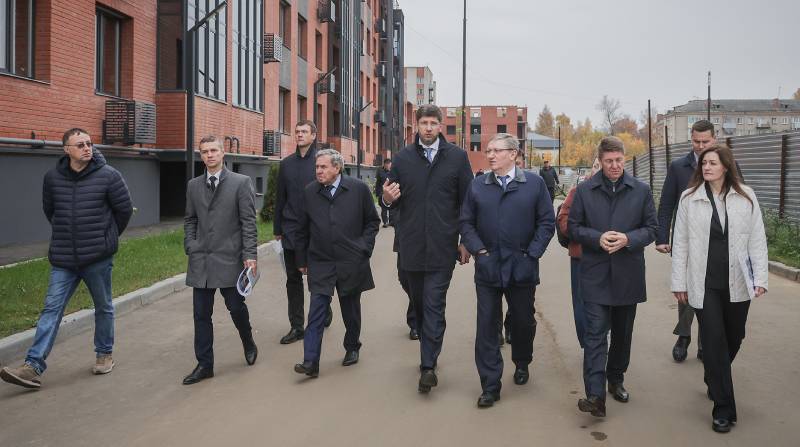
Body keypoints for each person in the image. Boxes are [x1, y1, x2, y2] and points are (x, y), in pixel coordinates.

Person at [0, 128, 133, 389]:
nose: (87, 148)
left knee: (103, 306)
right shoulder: (52, 178)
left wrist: (106, 238)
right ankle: (32, 366)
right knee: (51, 309)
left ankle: (104, 354)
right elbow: (50, 210)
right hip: (63, 259)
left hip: (97, 257)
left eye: (89, 143)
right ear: (66, 150)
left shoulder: (109, 175)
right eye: (80, 144)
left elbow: (124, 210)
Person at [670, 144, 767, 433]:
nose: (706, 167)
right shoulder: (689, 198)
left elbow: (757, 239)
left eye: (712, 162)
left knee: (735, 336)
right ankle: (723, 409)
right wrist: (679, 282)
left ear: (726, 166)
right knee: (713, 340)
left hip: (738, 281)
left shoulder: (746, 196)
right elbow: (681, 242)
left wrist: (760, 278)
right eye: (704, 163)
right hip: (704, 282)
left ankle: (714, 374)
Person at [382, 104, 474, 393]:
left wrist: (465, 240)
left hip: (443, 247)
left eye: (434, 123)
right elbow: (392, 198)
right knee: (419, 304)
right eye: (424, 123)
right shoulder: (403, 159)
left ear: (441, 125)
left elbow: (468, 202)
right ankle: (428, 345)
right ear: (417, 125)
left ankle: (428, 366)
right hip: (411, 246)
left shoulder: (457, 158)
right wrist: (387, 200)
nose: (429, 128)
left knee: (434, 303)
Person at [460, 133, 555, 407]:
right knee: (487, 326)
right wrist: (480, 251)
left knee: (523, 322)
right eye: (488, 150)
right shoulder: (478, 186)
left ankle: (522, 360)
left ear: (513, 154)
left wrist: (531, 254)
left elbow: (546, 222)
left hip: (521, 267)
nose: (490, 155)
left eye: (496, 150)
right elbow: (466, 222)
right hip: (488, 268)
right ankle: (490, 385)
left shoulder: (534, 184)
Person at [568, 136, 658, 417]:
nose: (615, 165)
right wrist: (597, 238)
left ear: (624, 158)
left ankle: (616, 379)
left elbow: (652, 229)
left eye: (619, 160)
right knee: (595, 334)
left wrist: (628, 239)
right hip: (595, 273)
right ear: (600, 160)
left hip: (628, 273)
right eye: (609, 161)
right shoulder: (585, 191)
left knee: (622, 333)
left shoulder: (641, 190)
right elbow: (573, 227)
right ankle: (595, 396)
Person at [293, 149, 380, 377]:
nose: (318, 171)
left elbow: (372, 222)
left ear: (337, 167)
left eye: (323, 167)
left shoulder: (358, 189)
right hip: (320, 261)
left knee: (350, 309)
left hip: (351, 259)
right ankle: (310, 362)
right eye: (317, 167)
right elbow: (302, 228)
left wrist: (364, 248)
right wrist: (301, 259)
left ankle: (352, 347)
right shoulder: (310, 191)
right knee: (316, 311)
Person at [181, 135, 259, 385]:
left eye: (214, 150)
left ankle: (248, 341)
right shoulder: (193, 185)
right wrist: (190, 244)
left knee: (236, 307)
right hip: (201, 261)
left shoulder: (240, 182)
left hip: (230, 259)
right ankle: (205, 364)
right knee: (201, 315)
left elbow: (248, 222)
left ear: (223, 153)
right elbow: (190, 219)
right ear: (201, 156)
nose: (210, 155)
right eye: (205, 152)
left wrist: (250, 254)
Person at [657, 119, 715, 362]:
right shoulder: (678, 166)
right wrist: (662, 237)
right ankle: (684, 336)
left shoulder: (727, 164)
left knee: (711, 293)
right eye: (696, 141)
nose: (700, 146)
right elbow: (666, 203)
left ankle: (705, 342)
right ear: (691, 139)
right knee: (687, 290)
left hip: (717, 240)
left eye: (705, 141)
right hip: (687, 240)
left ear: (714, 139)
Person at [274, 120, 332, 345]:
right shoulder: (286, 164)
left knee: (318, 278)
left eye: (304, 132)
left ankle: (324, 310)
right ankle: (297, 326)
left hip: (316, 231)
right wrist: (277, 229)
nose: (299, 135)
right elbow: (280, 197)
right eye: (297, 131)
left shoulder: (322, 162)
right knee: (293, 279)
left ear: (314, 135)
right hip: (290, 230)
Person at [557, 158, 602, 348]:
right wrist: (585, 233)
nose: (599, 169)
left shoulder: (622, 192)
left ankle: (602, 338)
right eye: (596, 165)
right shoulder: (578, 192)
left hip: (613, 257)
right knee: (582, 302)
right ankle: (589, 343)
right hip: (582, 256)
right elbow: (563, 219)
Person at [376, 158, 393, 227]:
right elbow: (378, 183)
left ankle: (391, 221)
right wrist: (377, 193)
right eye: (388, 165)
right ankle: (385, 222)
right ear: (385, 164)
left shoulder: (393, 171)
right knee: (384, 208)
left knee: (392, 207)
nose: (389, 166)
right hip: (382, 192)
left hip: (391, 191)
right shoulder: (380, 171)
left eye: (390, 165)